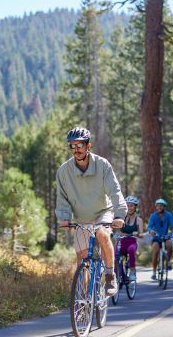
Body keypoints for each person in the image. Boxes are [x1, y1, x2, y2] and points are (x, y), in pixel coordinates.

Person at [56, 127, 126, 297]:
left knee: (102, 234)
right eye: (72, 146)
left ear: (88, 146)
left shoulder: (102, 165)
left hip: (103, 213)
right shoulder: (64, 171)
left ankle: (110, 275)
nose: (76, 149)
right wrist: (64, 218)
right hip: (81, 218)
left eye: (79, 145)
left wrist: (119, 215)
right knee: (82, 259)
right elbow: (62, 198)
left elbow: (115, 192)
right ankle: (83, 301)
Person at [148, 198, 173, 280]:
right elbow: (149, 226)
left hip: (165, 236)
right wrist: (150, 230)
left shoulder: (168, 215)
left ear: (164, 207)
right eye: (158, 206)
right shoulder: (153, 216)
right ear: (156, 207)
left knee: (169, 245)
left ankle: (168, 262)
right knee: (155, 250)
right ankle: (154, 272)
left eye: (161, 206)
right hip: (156, 237)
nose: (159, 207)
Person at [114, 196, 144, 281]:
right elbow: (116, 228)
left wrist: (137, 233)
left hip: (132, 242)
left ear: (135, 207)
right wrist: (115, 233)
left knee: (131, 250)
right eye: (127, 206)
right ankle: (121, 276)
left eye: (131, 206)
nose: (129, 208)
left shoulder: (138, 220)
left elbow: (141, 234)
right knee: (116, 256)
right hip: (121, 241)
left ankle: (132, 271)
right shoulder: (122, 218)